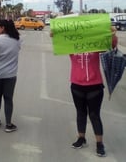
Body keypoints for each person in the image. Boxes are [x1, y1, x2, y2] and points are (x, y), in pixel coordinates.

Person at [49, 26, 118, 157]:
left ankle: (99, 143)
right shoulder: (72, 46)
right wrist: (54, 34)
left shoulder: (96, 44)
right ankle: (81, 138)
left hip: (95, 85)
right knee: (80, 113)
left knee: (94, 115)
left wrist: (112, 34)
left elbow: (112, 45)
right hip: (76, 85)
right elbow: (57, 40)